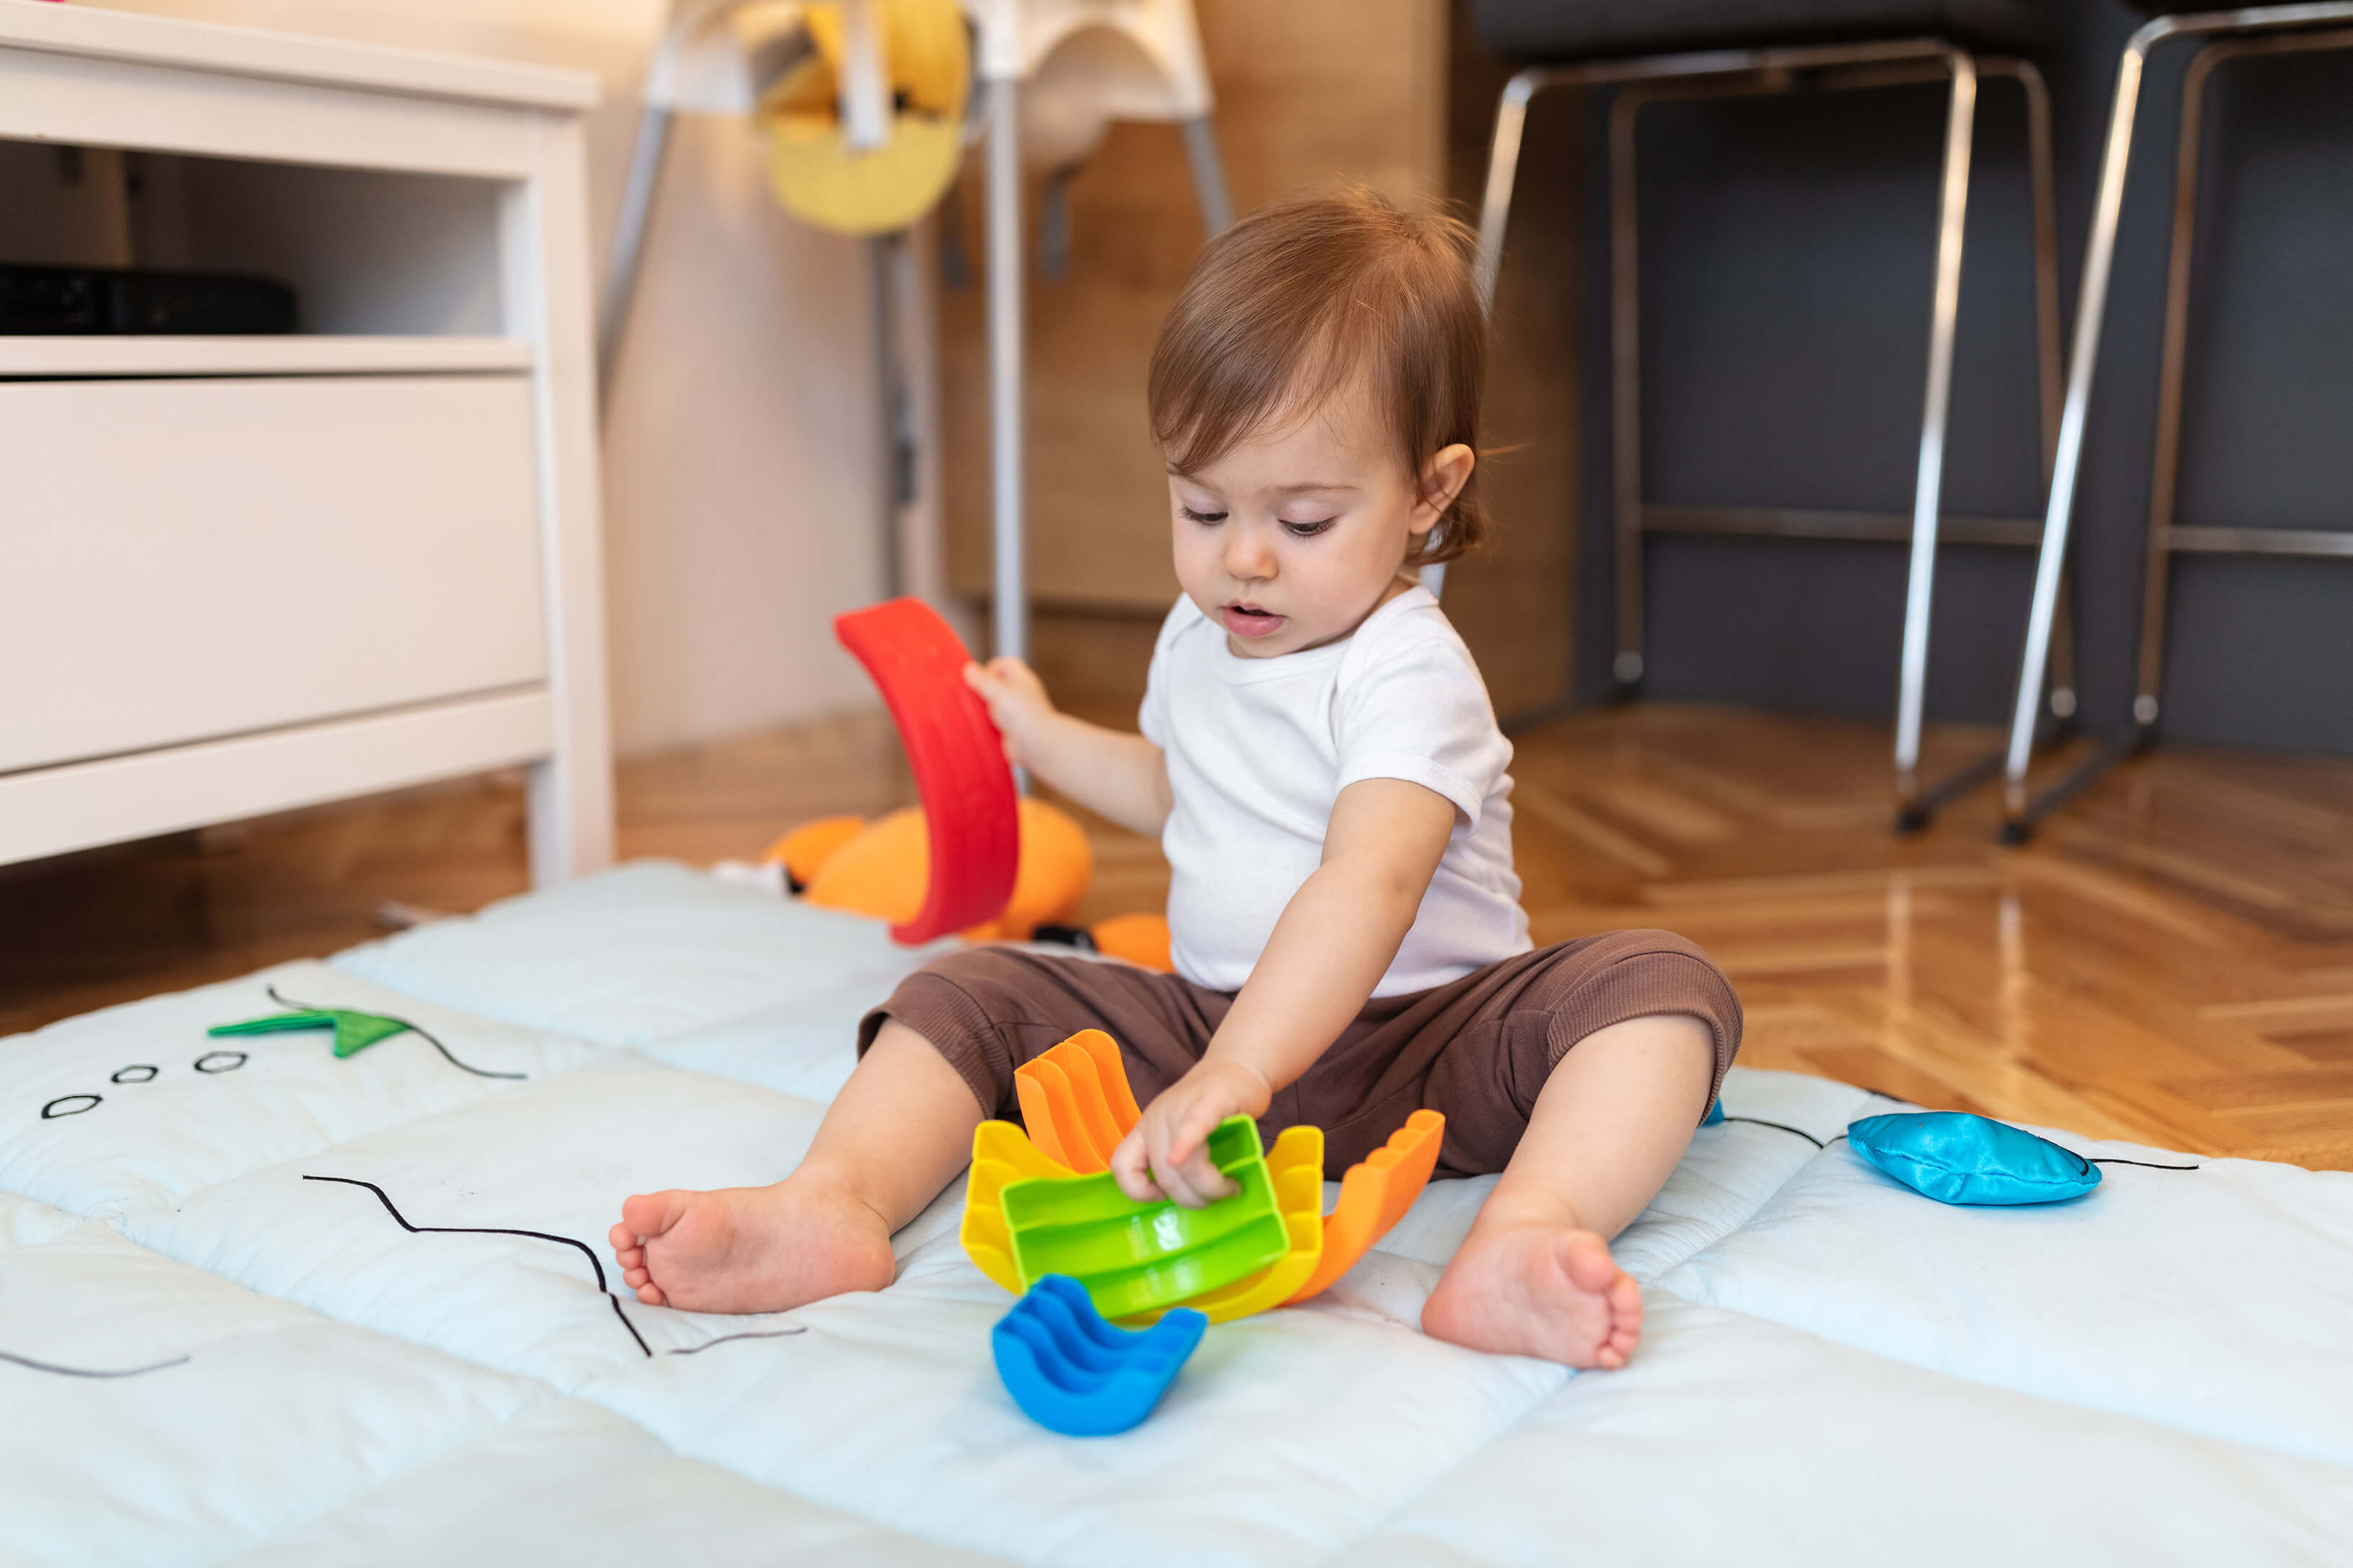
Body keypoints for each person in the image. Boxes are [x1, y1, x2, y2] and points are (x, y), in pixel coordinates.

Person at [611, 190, 1740, 1369]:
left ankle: (1522, 1234)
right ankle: (834, 1200)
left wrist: (1248, 1067)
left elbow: (1371, 878)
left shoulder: (1409, 668)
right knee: (971, 992)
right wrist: (1042, 740)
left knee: (1657, 986)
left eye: (1303, 520)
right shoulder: (1201, 635)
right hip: (1202, 1032)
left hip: (1427, 1046)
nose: (1242, 557)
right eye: (1203, 505)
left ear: (1429, 493)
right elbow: (1177, 789)